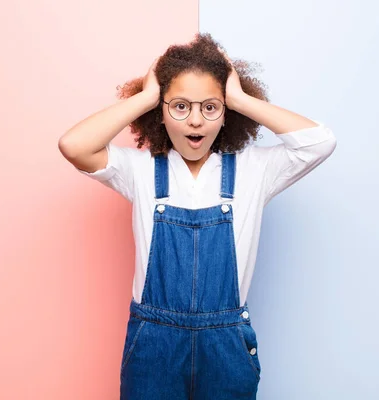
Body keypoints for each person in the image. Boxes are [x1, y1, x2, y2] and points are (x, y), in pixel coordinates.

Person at [58, 32, 337, 399]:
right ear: (160, 112)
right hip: (154, 344)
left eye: (210, 107)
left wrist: (238, 98)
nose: (195, 121)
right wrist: (146, 96)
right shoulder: (140, 171)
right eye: (180, 106)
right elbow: (73, 145)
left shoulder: (256, 171)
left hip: (225, 346)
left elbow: (321, 142)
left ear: (225, 115)